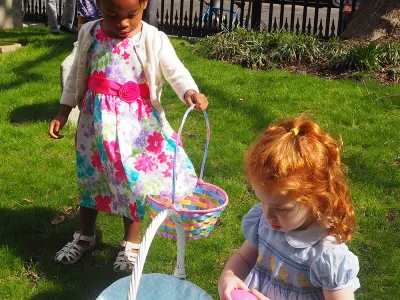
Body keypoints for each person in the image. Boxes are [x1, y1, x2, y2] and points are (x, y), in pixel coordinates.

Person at [48, 0, 208, 272]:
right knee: (90, 178)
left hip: (136, 127)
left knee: (132, 183)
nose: (122, 22)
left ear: (144, 5)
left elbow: (175, 71)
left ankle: (130, 243)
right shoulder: (89, 32)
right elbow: (77, 74)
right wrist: (63, 112)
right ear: (99, 5)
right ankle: (85, 236)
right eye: (112, 14)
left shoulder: (152, 38)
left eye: (131, 15)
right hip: (95, 125)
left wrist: (189, 92)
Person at [218, 118, 360, 300]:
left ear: (317, 200)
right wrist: (230, 275)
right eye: (262, 201)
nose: (268, 215)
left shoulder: (326, 255)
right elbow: (244, 258)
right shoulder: (264, 222)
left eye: (282, 209)